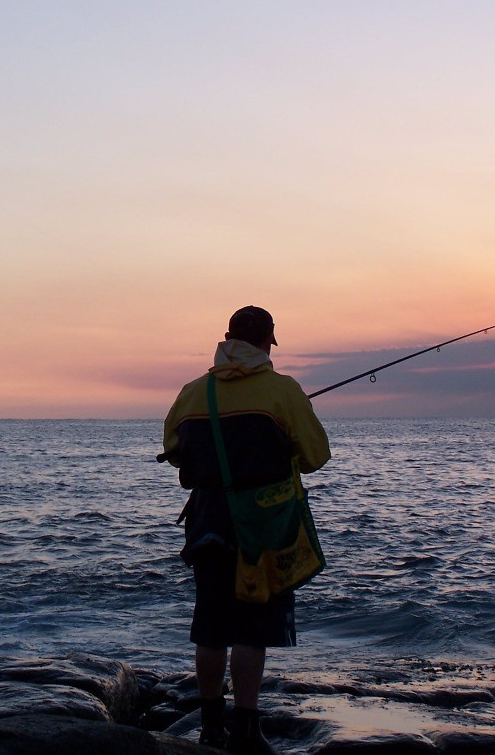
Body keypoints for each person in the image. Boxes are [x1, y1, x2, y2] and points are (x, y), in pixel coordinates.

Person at [162, 306, 330, 754]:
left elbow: (174, 449)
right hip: (264, 527)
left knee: (211, 625)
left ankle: (210, 726)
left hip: (207, 522)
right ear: (266, 343)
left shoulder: (193, 392)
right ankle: (247, 728)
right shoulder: (284, 391)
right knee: (252, 629)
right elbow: (315, 457)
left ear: (226, 338)